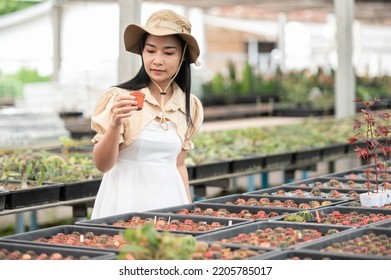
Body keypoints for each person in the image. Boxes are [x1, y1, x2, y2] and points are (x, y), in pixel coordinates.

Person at [90, 9, 204, 219]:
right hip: (124, 202)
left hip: (170, 203)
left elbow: (179, 165)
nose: (157, 60)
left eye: (168, 53)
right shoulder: (120, 98)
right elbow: (102, 165)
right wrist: (115, 124)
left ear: (183, 56)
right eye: (150, 51)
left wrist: (189, 213)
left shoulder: (189, 105)